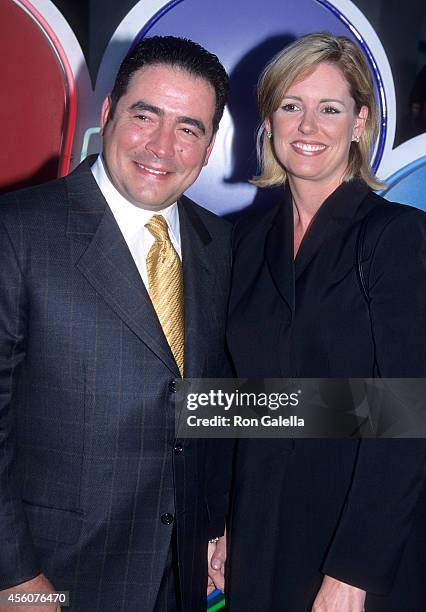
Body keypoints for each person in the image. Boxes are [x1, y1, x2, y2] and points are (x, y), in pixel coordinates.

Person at [0, 36, 231, 612]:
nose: (162, 146)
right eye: (144, 115)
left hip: (180, 578)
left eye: (189, 128)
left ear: (208, 147)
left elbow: (211, 398)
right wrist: (13, 579)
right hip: (51, 580)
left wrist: (218, 522)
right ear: (107, 115)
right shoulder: (18, 230)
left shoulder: (221, 245)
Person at [226, 33, 426, 611]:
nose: (308, 126)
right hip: (261, 536)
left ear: (360, 123)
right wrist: (217, 522)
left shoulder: (392, 236)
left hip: (358, 545)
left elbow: (408, 410)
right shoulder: (242, 241)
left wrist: (353, 571)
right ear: (268, 120)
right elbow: (231, 400)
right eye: (291, 106)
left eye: (330, 108)